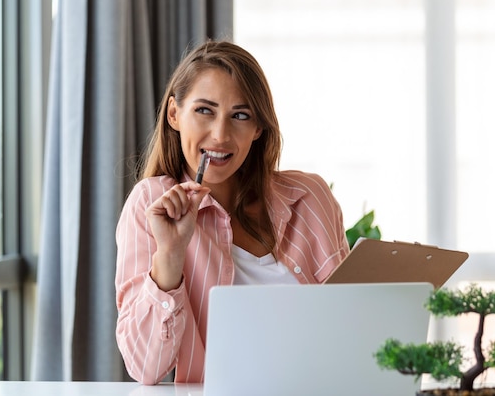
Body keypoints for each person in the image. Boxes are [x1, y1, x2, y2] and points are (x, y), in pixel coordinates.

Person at [115, 40, 350, 385]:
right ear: (174, 114)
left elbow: (350, 322)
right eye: (205, 111)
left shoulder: (309, 197)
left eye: (240, 115)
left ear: (258, 129)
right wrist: (170, 253)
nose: (221, 135)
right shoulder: (150, 204)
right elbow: (145, 367)